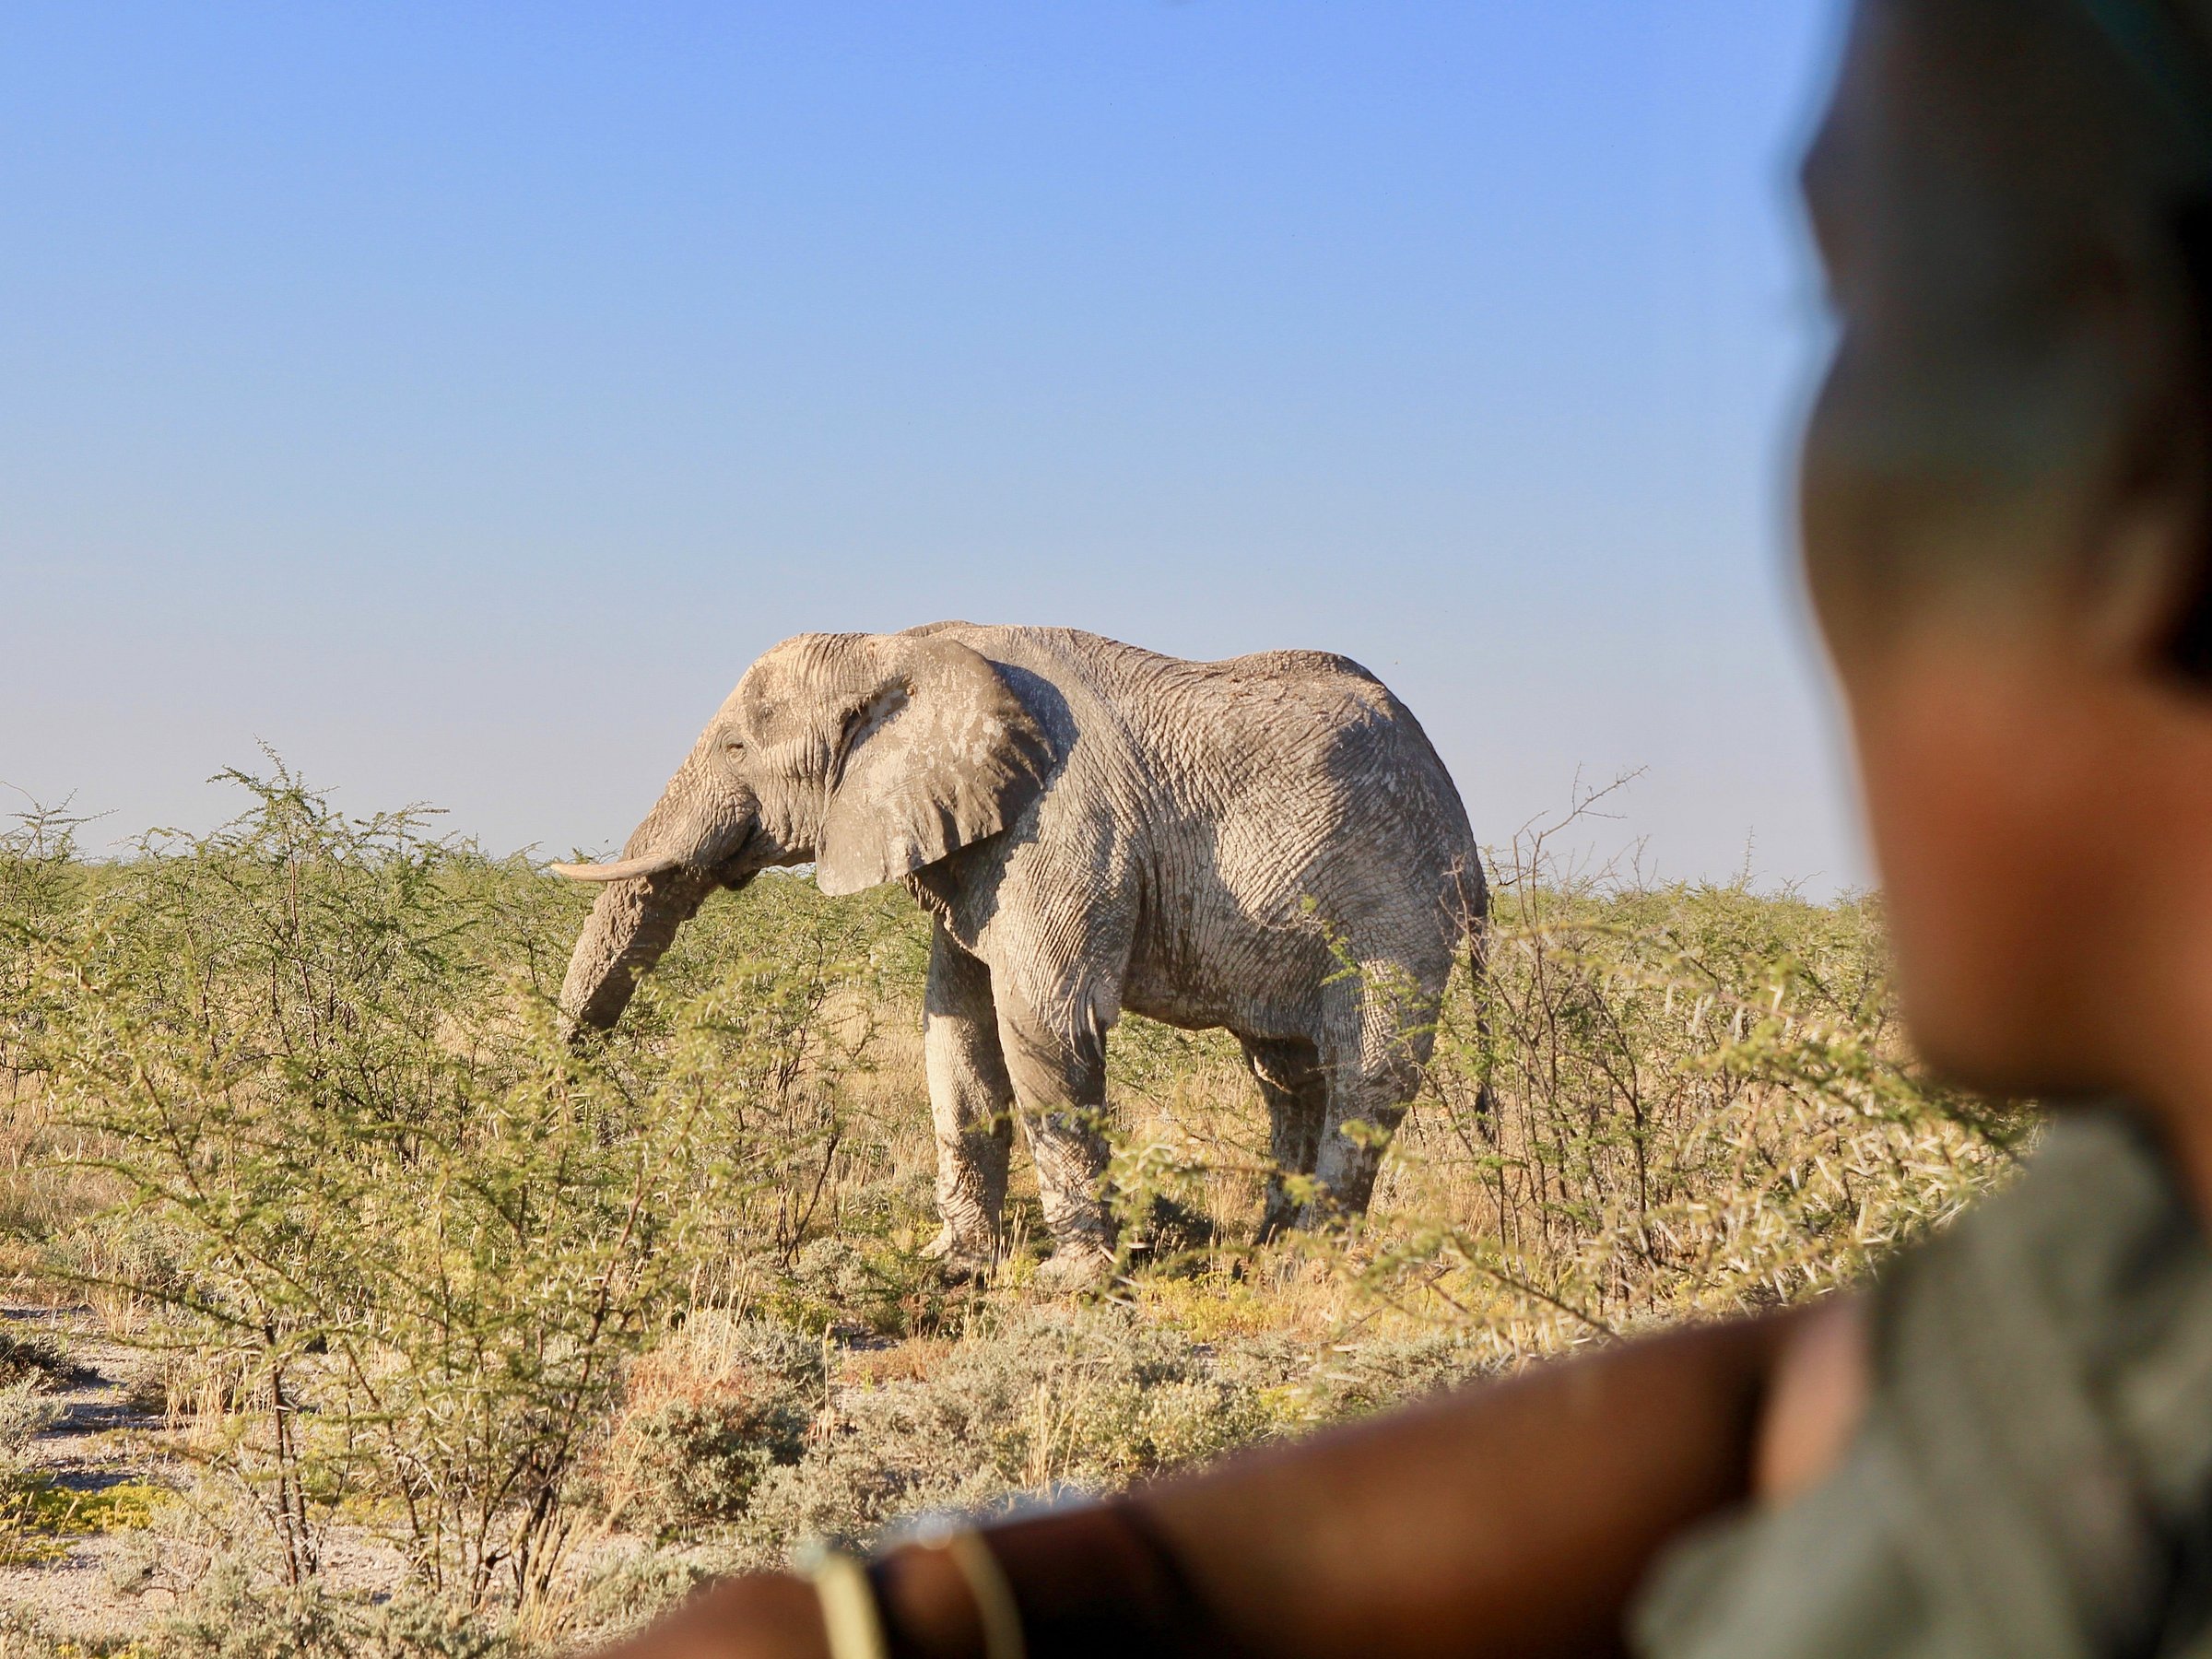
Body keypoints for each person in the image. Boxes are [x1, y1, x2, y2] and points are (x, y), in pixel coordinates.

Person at [597, 0, 2212, 1652]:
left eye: (1857, 304)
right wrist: (960, 1605)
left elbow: (1046, 1023)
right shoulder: (2123, 1282)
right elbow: (1805, 1393)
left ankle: (1228, 1227)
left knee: (1312, 1155)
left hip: (1323, 892)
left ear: (2141, 428)